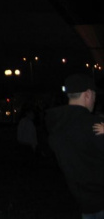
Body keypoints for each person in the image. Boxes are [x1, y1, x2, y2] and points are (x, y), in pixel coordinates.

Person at [45, 74, 104, 219]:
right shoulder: (95, 126)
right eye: (95, 95)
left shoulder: (56, 127)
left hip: (83, 203)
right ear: (88, 94)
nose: (95, 100)